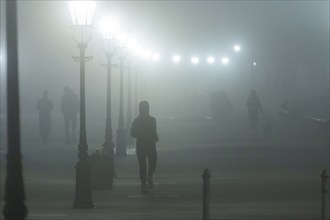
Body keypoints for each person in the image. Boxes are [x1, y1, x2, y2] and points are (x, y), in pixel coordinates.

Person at [131, 101, 159, 193]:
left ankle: (144, 183)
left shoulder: (136, 121)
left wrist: (140, 134)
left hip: (141, 145)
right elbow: (154, 133)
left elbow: (132, 134)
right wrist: (155, 137)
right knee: (152, 162)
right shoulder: (152, 120)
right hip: (150, 144)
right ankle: (148, 178)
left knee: (142, 165)